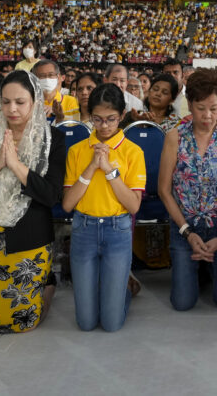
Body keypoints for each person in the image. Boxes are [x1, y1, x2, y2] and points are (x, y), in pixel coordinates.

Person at [0, 70, 65, 334]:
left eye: (20, 102)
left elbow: (51, 196)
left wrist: (17, 166)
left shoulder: (53, 139)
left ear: (35, 103)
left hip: (28, 237)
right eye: (5, 102)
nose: (12, 109)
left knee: (22, 324)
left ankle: (47, 287)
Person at [159, 69, 217, 311]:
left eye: (214, 108)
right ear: (189, 104)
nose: (207, 115)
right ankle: (202, 266)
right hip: (185, 225)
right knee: (182, 303)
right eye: (200, 108)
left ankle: (209, 264)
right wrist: (187, 232)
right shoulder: (174, 137)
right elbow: (164, 190)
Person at [62, 83, 146, 331]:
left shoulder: (133, 151)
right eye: (97, 119)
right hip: (83, 228)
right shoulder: (77, 151)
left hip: (117, 230)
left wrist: (109, 169)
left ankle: (125, 289)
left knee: (111, 324)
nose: (105, 126)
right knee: (86, 323)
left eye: (111, 119)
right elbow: (68, 204)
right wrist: (92, 166)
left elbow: (132, 206)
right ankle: (113, 288)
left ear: (121, 116)